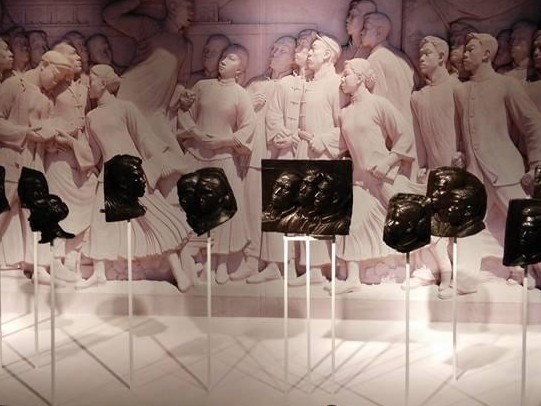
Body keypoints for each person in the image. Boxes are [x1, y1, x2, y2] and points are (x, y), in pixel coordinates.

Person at [80, 64, 192, 292]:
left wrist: (160, 160)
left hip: (132, 170)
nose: (88, 85)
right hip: (110, 175)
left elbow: (144, 137)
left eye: (91, 80)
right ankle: (99, 273)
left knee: (153, 219)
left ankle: (178, 271)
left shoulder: (125, 108)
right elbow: (94, 154)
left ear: (103, 83)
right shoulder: (91, 117)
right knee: (100, 224)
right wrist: (70, 143)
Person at [453, 32, 541, 291]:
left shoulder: (506, 85)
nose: (465, 54)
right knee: (469, 223)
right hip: (475, 174)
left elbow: (532, 123)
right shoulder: (461, 91)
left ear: (486, 54)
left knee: (524, 221)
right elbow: (461, 133)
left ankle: (534, 271)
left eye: (471, 49)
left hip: (505, 170)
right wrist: (460, 154)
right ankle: (466, 277)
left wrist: (535, 163)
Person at [176, 44, 256, 285]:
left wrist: (224, 141)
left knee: (223, 213)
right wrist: (196, 133)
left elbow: (248, 126)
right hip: (196, 156)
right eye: (223, 56)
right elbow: (185, 114)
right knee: (196, 209)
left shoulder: (240, 94)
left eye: (231, 58)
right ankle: (201, 261)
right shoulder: (202, 86)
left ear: (240, 69)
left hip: (223, 160)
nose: (223, 61)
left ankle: (221, 264)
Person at [0, 50, 73, 284]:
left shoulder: (46, 99)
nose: (55, 82)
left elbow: (44, 134)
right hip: (11, 159)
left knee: (36, 214)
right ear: (44, 64)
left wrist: (57, 138)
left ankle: (38, 268)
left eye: (60, 79)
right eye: (55, 75)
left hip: (35, 163)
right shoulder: (13, 86)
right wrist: (25, 133)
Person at [231, 36, 296, 282]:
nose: (274, 52)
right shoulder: (255, 83)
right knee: (250, 210)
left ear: (293, 58)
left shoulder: (294, 85)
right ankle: (251, 260)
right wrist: (248, 104)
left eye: (282, 50)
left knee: (277, 211)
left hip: (280, 157)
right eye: (274, 48)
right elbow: (232, 114)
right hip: (254, 156)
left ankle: (276, 264)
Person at [411, 36, 460, 174]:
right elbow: (418, 138)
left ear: (441, 57)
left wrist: (463, 153)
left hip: (457, 169)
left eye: (427, 53)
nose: (421, 59)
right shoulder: (418, 97)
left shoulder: (457, 88)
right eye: (420, 55)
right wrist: (423, 166)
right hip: (432, 172)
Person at [335, 0, 377, 73]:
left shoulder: (372, 56)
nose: (347, 20)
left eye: (353, 15)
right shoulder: (340, 52)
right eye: (349, 14)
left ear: (366, 20)